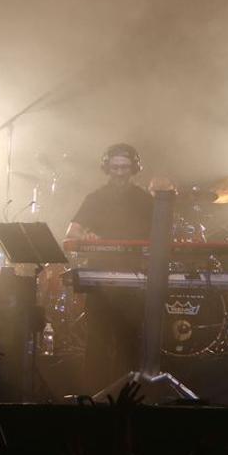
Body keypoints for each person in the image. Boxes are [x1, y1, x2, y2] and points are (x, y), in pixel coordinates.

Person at [65, 143, 155, 390]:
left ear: (134, 168)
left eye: (124, 167)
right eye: (114, 167)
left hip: (135, 278)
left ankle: (129, 398)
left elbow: (161, 238)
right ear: (106, 168)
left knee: (131, 342)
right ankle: (94, 397)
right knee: (97, 341)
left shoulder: (146, 200)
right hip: (100, 279)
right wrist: (86, 236)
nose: (119, 172)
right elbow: (71, 233)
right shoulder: (95, 198)